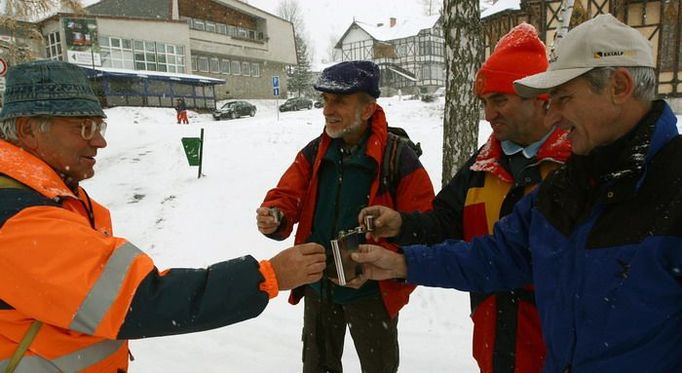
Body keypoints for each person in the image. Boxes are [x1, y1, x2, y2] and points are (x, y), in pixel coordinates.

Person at [352, 14, 682, 372]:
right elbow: (495, 255)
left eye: (563, 98)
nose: (552, 114)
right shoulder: (568, 186)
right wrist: (401, 262)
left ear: (619, 86)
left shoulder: (671, 189)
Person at [0, 60, 326, 372]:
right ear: (29, 130)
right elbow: (140, 299)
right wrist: (267, 277)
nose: (100, 141)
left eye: (99, 126)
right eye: (84, 127)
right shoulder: (17, 219)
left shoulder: (45, 195)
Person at [358, 23, 571, 373]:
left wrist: (404, 264)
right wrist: (400, 224)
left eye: (500, 99)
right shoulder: (483, 162)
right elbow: (445, 222)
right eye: (484, 102)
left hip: (558, 351)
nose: (488, 114)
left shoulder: (575, 163)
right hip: (494, 345)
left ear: (540, 97)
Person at [256, 60, 435, 373]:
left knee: (378, 367)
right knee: (317, 367)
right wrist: (277, 215)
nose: (328, 110)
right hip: (318, 285)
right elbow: (288, 194)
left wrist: (383, 263)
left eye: (339, 101)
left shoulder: (397, 157)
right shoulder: (315, 152)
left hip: (372, 292)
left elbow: (424, 227)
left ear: (367, 109)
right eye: (326, 100)